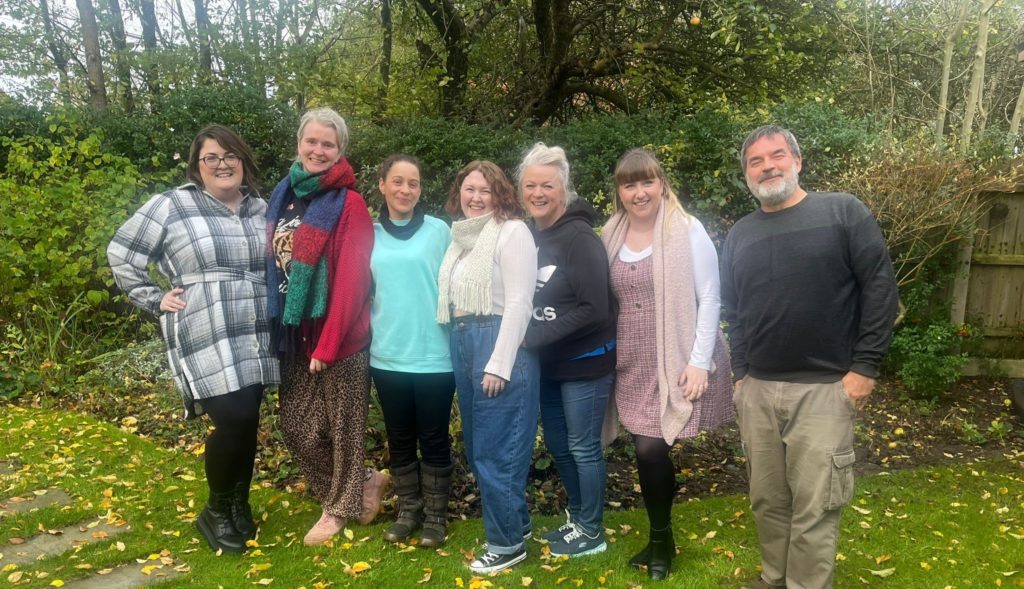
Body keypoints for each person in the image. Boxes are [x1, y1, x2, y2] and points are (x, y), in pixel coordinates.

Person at [721, 125, 899, 589]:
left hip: (825, 388)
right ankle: (773, 577)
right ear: (746, 174)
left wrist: (865, 367)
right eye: (756, 161)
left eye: (777, 155)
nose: (768, 166)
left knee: (816, 505)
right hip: (758, 390)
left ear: (798, 162)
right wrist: (741, 374)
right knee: (767, 499)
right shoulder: (739, 235)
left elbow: (879, 288)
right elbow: (734, 311)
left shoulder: (842, 212)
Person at [108, 125, 279, 553]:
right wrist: (152, 298)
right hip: (206, 324)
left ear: (243, 161)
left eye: (230, 156)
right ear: (197, 166)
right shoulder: (172, 204)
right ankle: (216, 511)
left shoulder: (262, 208)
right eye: (212, 158)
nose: (222, 164)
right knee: (234, 417)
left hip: (256, 326)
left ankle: (238, 505)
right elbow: (122, 251)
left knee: (248, 419)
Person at [601, 149, 734, 580]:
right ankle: (662, 536)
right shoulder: (610, 234)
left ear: (661, 183)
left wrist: (700, 362)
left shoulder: (686, 229)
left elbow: (710, 296)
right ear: (619, 191)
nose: (639, 193)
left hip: (675, 354)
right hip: (631, 359)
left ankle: (661, 540)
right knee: (645, 450)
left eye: (647, 182)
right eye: (629, 184)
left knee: (651, 448)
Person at [266, 107, 374, 546]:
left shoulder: (350, 203)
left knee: (344, 427)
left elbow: (352, 279)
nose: (318, 149)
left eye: (327, 144)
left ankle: (338, 508)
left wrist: (328, 345)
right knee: (297, 427)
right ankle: (363, 482)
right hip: (295, 331)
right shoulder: (282, 194)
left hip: (341, 337)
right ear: (299, 144)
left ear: (340, 151)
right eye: (312, 141)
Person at [437, 161, 538, 573]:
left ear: (500, 195)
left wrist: (499, 363)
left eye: (485, 190)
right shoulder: (460, 238)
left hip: (497, 342)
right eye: (469, 189)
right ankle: (519, 525)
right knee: (481, 446)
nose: (475, 197)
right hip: (465, 340)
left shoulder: (512, 232)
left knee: (498, 451)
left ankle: (506, 543)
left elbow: (519, 302)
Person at [516, 143, 616, 558]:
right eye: (531, 185)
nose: (538, 193)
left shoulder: (579, 237)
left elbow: (596, 309)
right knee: (559, 445)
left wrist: (532, 338)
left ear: (564, 189)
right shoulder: (529, 234)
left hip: (585, 362)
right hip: (550, 364)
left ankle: (592, 530)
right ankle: (578, 518)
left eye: (548, 186)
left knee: (582, 446)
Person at [369, 154, 457, 547]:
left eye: (414, 183)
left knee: (435, 436)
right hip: (386, 354)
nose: (406, 190)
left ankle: (437, 516)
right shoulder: (366, 234)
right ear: (383, 185)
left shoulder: (441, 231)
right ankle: (409, 511)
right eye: (398, 182)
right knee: (400, 436)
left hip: (435, 354)